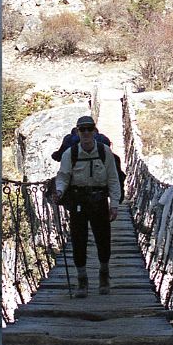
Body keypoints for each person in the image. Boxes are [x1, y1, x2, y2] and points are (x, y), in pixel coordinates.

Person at [54, 115, 122, 297]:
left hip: (99, 200)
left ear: (94, 131)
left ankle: (104, 274)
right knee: (78, 239)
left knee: (103, 238)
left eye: (89, 129)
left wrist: (114, 204)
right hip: (79, 201)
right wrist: (59, 191)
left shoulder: (104, 151)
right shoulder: (71, 154)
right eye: (82, 129)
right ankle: (82, 280)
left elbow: (113, 179)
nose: (85, 133)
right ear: (77, 132)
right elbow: (63, 176)